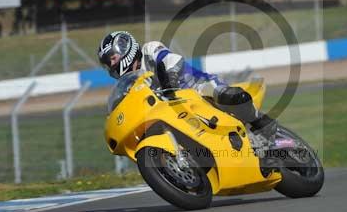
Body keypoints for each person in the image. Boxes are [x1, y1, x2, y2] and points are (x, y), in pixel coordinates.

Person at [97, 30, 276, 149]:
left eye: (112, 58)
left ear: (126, 48)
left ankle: (262, 124)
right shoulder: (129, 85)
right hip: (174, 111)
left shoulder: (149, 49)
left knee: (224, 95)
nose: (112, 65)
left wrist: (171, 80)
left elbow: (170, 59)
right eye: (108, 64)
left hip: (197, 87)